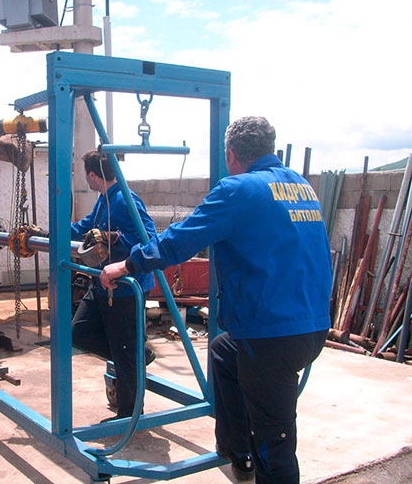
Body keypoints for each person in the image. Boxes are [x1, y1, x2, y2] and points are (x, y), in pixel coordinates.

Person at [101, 117, 331, 483]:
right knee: (223, 352)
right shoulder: (301, 187)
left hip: (271, 335)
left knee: (275, 440)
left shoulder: (238, 190)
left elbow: (180, 240)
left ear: (231, 155)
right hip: (312, 326)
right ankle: (237, 452)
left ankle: (257, 458)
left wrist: (127, 264)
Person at [71, 150, 158, 421]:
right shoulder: (104, 200)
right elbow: (86, 228)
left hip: (126, 288)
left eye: (85, 174)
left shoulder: (125, 199)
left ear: (92, 175)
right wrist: (51, 233)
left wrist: (114, 237)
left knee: (124, 351)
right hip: (103, 283)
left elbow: (148, 239)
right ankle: (138, 355)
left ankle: (129, 415)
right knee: (79, 332)